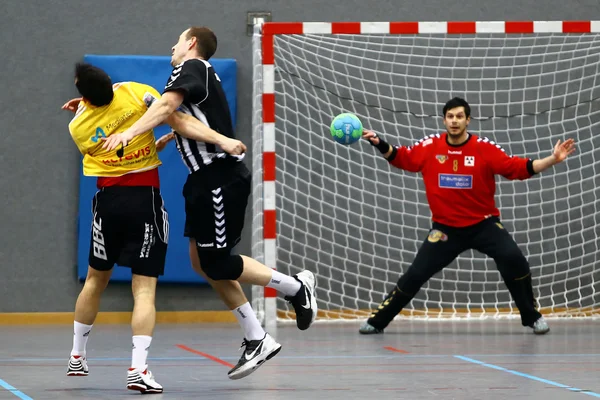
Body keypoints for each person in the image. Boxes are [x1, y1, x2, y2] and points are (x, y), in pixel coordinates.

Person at [101, 26, 318, 378]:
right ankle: (256, 336)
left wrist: (128, 133)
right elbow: (182, 118)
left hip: (219, 177)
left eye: (177, 39)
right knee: (202, 263)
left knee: (217, 263)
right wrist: (172, 130)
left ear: (191, 43)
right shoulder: (194, 77)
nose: (172, 45)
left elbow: (170, 107)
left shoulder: (192, 66)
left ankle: (294, 288)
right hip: (202, 181)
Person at [358, 97, 576, 335]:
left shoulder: (484, 148)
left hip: (484, 225)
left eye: (459, 116)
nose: (454, 121)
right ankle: (378, 321)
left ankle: (532, 317)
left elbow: (519, 169)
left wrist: (553, 159)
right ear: (444, 120)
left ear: (467, 120)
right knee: (416, 274)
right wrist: (379, 143)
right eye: (450, 116)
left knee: (514, 259)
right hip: (446, 229)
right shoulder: (430, 146)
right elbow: (402, 158)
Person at [65, 63, 168, 394]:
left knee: (95, 279)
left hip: (107, 202)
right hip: (144, 201)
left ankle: (77, 357)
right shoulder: (137, 92)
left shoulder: (78, 126)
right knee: (144, 289)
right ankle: (138, 367)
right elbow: (162, 110)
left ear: (84, 95)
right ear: (110, 82)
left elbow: (111, 150)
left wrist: (84, 107)